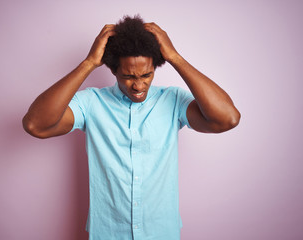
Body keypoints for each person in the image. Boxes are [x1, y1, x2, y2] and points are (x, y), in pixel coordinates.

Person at [23, 15, 240, 240]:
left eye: (147, 74)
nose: (138, 85)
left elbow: (228, 119)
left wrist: (175, 57)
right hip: (108, 233)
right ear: (113, 71)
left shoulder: (173, 100)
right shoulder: (91, 102)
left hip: (161, 233)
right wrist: (88, 63)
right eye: (128, 76)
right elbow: (35, 124)